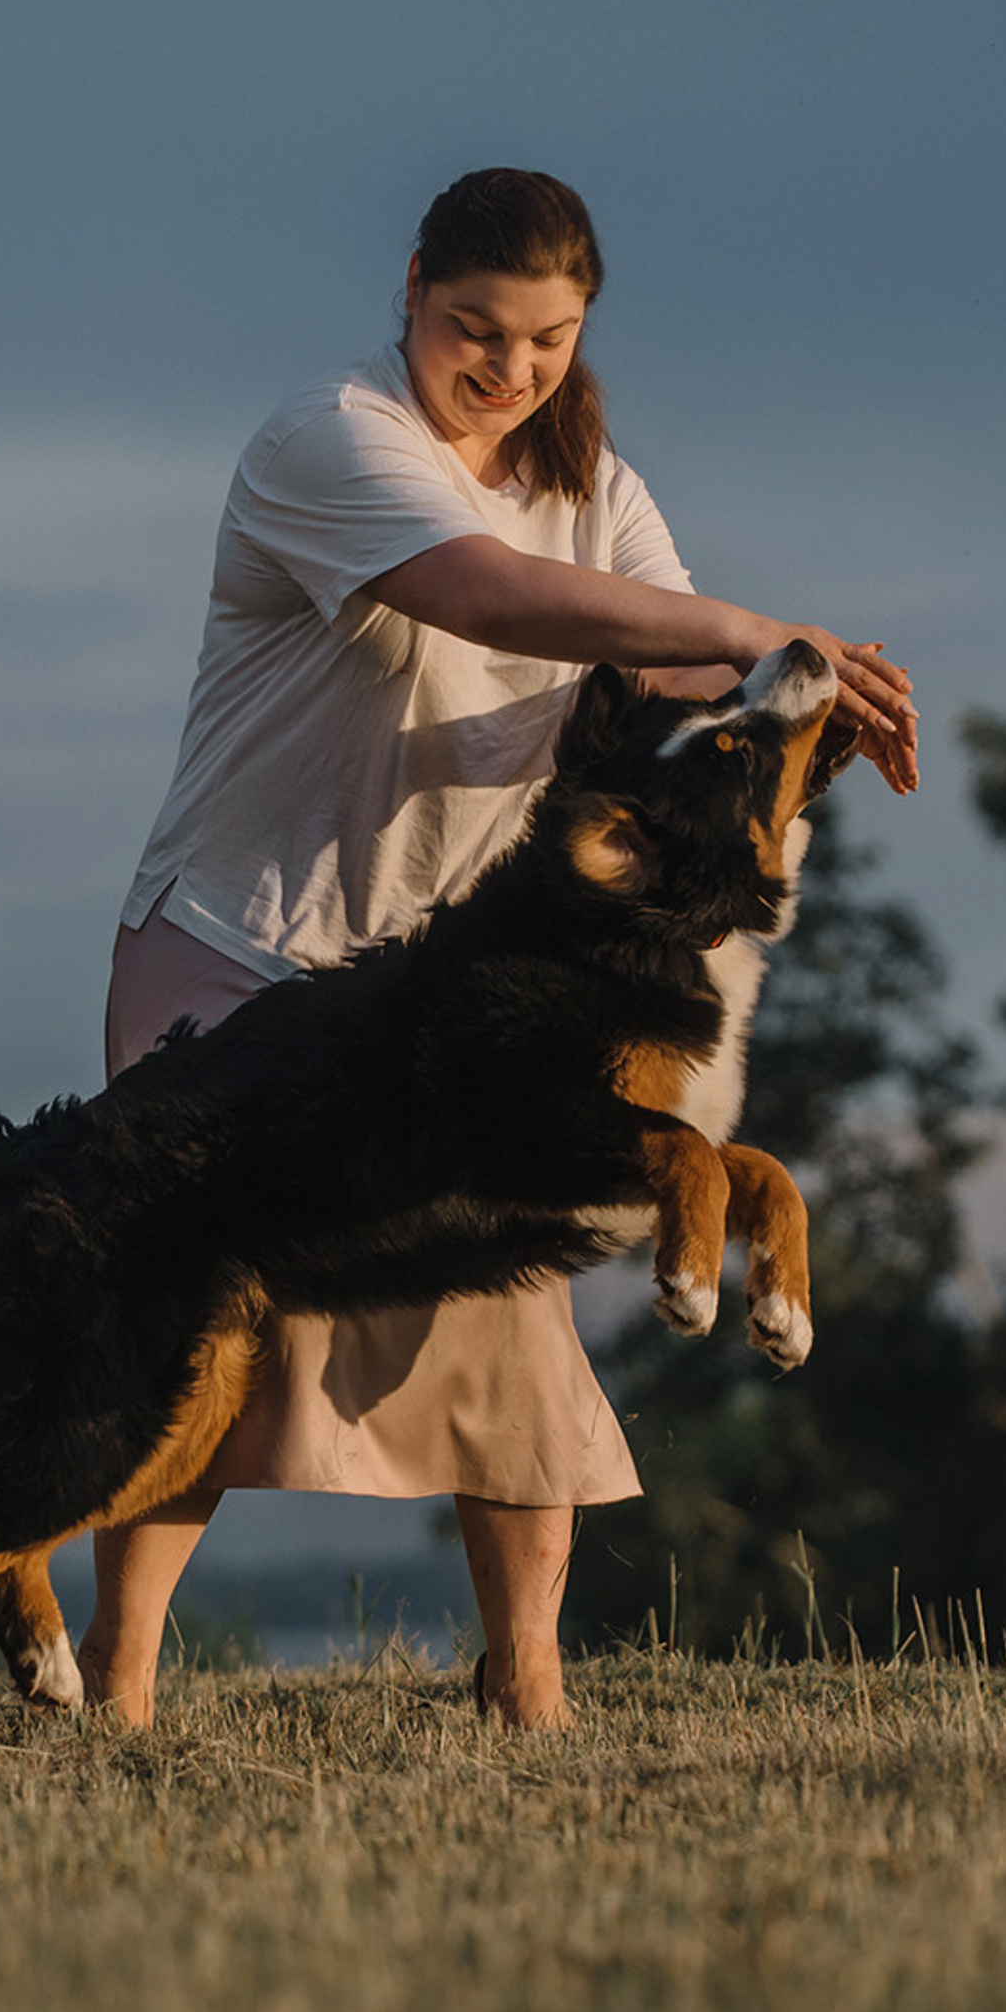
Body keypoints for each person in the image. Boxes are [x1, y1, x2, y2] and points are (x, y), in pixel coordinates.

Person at [78, 167, 917, 1731]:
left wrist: (807, 719)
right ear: (409, 291)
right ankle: (121, 1687)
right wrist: (751, 635)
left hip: (440, 988)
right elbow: (488, 597)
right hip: (235, 944)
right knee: (194, 1313)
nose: (509, 369)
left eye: (546, 340)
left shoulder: (600, 490)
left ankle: (524, 1682)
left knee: (508, 1309)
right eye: (476, 330)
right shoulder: (329, 442)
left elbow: (664, 679)